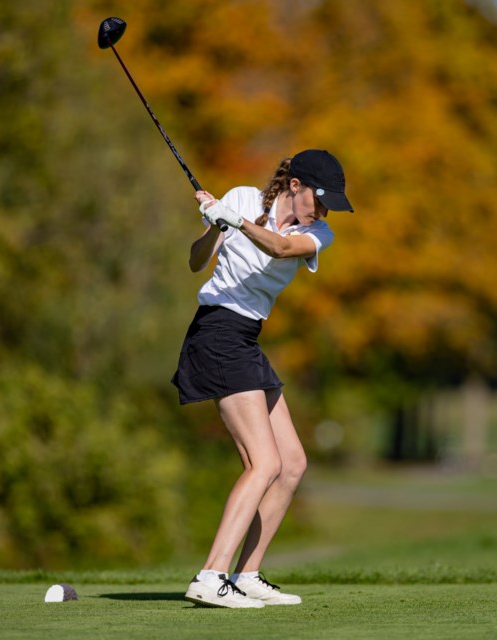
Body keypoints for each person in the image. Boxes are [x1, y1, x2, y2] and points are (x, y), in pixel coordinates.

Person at [172, 149, 353, 609]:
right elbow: (196, 262)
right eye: (321, 197)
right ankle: (211, 574)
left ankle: (246, 574)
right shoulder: (241, 199)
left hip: (246, 338)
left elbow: (279, 248)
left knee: (291, 463)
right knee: (264, 462)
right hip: (215, 331)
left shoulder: (317, 233)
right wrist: (215, 222)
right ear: (296, 186)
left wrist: (235, 221)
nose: (326, 209)